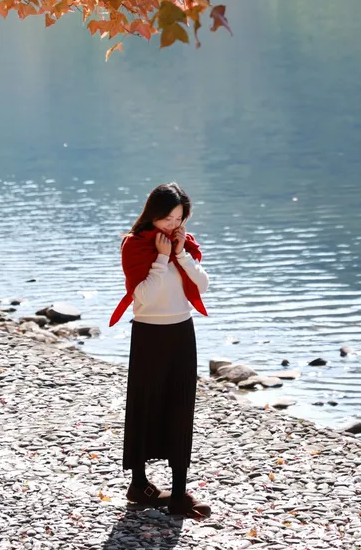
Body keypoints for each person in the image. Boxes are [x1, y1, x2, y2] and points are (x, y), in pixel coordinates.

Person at [109, 182, 211, 519]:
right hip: (149, 335)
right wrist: (162, 257)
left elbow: (202, 284)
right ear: (152, 214)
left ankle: (179, 493)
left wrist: (179, 254)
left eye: (178, 218)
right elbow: (146, 297)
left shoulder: (185, 244)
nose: (172, 225)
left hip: (182, 331)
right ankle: (139, 483)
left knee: (180, 406)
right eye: (166, 218)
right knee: (146, 404)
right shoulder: (135, 245)